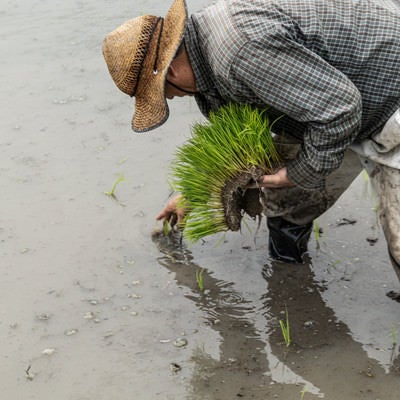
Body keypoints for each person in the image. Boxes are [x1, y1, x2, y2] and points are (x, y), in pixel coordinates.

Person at [102, 0, 400, 287]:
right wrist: (192, 191)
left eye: (161, 92)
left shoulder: (238, 54)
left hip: (387, 92)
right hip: (334, 103)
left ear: (172, 71)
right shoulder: (205, 58)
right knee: (286, 202)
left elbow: (342, 110)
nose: (168, 99)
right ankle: (289, 281)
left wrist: (297, 173)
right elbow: (239, 139)